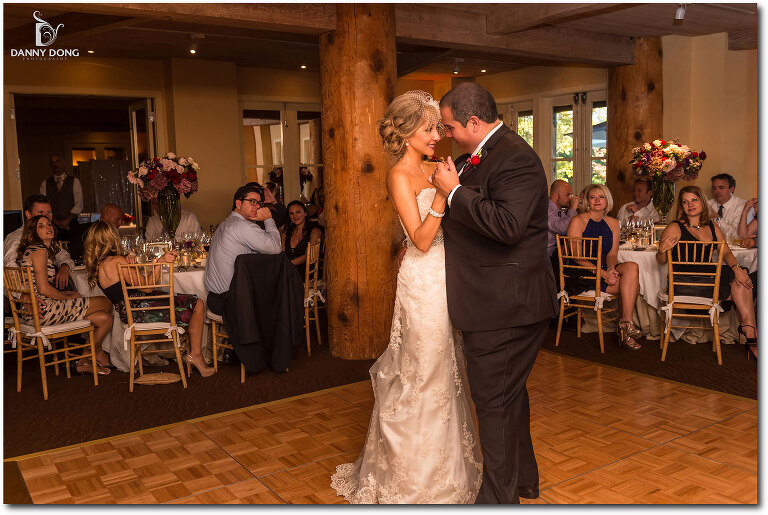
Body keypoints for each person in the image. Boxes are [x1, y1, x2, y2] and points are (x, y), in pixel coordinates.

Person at [331, 91, 483, 504]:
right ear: (406, 132)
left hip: (447, 276)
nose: (437, 136)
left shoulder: (441, 167)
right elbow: (417, 240)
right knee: (422, 371)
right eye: (429, 129)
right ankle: (410, 479)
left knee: (447, 369)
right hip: (421, 280)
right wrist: (439, 197)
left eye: (438, 128)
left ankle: (447, 470)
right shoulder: (399, 176)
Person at [430, 82, 558, 504]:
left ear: (473, 122)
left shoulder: (517, 159)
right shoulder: (477, 156)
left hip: (505, 306)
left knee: (494, 404)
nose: (445, 134)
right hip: (498, 301)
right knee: (509, 397)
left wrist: (452, 192)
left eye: (449, 126)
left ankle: (499, 502)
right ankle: (523, 479)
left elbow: (507, 226)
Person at [83, 221, 215, 377]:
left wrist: (130, 264)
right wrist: (160, 261)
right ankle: (196, 355)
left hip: (130, 310)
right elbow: (147, 288)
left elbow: (127, 288)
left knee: (188, 302)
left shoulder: (100, 265)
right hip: (141, 309)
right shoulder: (118, 261)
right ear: (112, 238)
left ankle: (193, 353)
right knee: (198, 303)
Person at [656, 185, 757, 359]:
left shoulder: (711, 226)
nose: (690, 205)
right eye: (685, 202)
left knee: (741, 275)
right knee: (740, 285)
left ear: (702, 202)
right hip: (685, 282)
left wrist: (737, 269)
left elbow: (725, 252)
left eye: (694, 200)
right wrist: (662, 250)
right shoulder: (674, 227)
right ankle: (751, 335)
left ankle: (749, 332)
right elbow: (661, 261)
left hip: (709, 278)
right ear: (681, 206)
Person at [16, 215, 114, 374]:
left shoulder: (35, 250)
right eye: (41, 226)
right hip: (45, 311)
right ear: (32, 232)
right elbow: (43, 289)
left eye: (48, 224)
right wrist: (67, 298)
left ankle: (84, 360)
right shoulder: (39, 250)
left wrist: (67, 294)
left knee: (105, 319)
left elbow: (37, 287)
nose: (48, 227)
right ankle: (94, 353)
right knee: (105, 303)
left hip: (37, 310)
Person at [566, 184, 642, 350]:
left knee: (632, 267)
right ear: (587, 201)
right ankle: (626, 328)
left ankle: (625, 322)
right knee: (632, 286)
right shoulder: (577, 221)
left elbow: (612, 254)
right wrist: (602, 273)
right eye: (593, 197)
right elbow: (577, 257)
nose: (597, 200)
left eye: (601, 197)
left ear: (607, 201)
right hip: (582, 271)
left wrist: (611, 269)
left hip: (603, 266)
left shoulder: (613, 223)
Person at [204, 184, 282, 315]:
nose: (257, 206)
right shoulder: (243, 226)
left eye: (259, 203)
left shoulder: (225, 224)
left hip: (214, 299)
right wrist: (269, 219)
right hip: (232, 302)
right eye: (253, 202)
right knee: (280, 290)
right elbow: (276, 248)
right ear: (238, 204)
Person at [4, 194, 74, 289]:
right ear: (28, 215)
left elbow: (62, 254)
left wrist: (65, 266)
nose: (46, 216)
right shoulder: (16, 238)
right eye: (40, 212)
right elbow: (11, 269)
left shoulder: (45, 235)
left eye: (49, 212)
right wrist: (25, 296)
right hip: (24, 296)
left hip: (47, 290)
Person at [39, 154, 83, 244]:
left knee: (73, 247)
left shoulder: (74, 181)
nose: (55, 164)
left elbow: (79, 204)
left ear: (63, 163)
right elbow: (43, 205)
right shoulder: (45, 183)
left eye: (57, 161)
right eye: (52, 162)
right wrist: (57, 222)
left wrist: (66, 221)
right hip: (52, 223)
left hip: (71, 223)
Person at [282, 200, 322, 276]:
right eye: (291, 213)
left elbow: (309, 256)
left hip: (307, 274)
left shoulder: (315, 231)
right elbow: (283, 253)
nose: (295, 216)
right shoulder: (286, 233)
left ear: (305, 213)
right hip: (289, 273)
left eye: (298, 212)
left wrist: (287, 264)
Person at [708, 173, 753, 238]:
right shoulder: (708, 204)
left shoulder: (743, 206)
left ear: (732, 189)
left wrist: (716, 217)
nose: (716, 191)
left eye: (721, 188)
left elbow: (737, 235)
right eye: (714, 188)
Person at [548, 179, 579, 259]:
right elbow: (563, 228)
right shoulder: (546, 208)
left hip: (555, 255)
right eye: (567, 195)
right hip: (545, 257)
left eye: (571, 195)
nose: (570, 198)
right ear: (555, 195)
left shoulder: (559, 211)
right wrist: (573, 208)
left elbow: (571, 227)